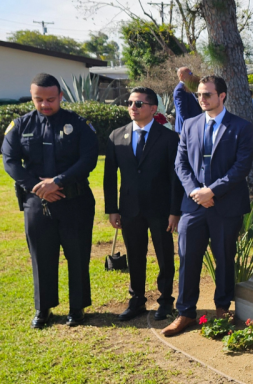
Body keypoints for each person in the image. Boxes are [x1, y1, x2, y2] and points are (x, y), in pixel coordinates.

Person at [2, 73, 98, 328]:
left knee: (78, 255)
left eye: (51, 99)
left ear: (61, 97)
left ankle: (77, 308)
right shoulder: (20, 125)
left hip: (74, 200)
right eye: (39, 99)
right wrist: (37, 187)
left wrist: (58, 181)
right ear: (32, 97)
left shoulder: (78, 124)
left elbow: (88, 158)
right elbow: (10, 161)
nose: (45, 104)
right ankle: (43, 309)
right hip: (36, 202)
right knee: (41, 256)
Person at [163, 75, 253, 337]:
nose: (202, 99)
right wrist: (195, 192)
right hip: (193, 206)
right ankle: (186, 313)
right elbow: (180, 164)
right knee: (188, 258)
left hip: (226, 205)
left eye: (207, 95)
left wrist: (212, 191)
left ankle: (222, 308)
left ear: (222, 96)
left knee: (224, 258)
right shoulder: (189, 125)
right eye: (199, 95)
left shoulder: (241, 127)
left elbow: (241, 167)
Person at [103, 87, 183, 322]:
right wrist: (112, 209)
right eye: (129, 103)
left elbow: (175, 178)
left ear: (153, 108)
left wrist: (174, 211)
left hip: (160, 210)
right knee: (135, 256)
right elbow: (109, 177)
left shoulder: (169, 138)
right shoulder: (117, 136)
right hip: (129, 209)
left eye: (138, 104)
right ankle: (136, 300)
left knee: (164, 257)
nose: (132, 108)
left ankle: (166, 302)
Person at [174, 67, 201, 132]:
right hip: (187, 129)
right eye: (189, 73)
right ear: (181, 75)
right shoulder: (180, 89)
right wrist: (189, 126)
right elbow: (182, 111)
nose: (192, 75)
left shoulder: (187, 87)